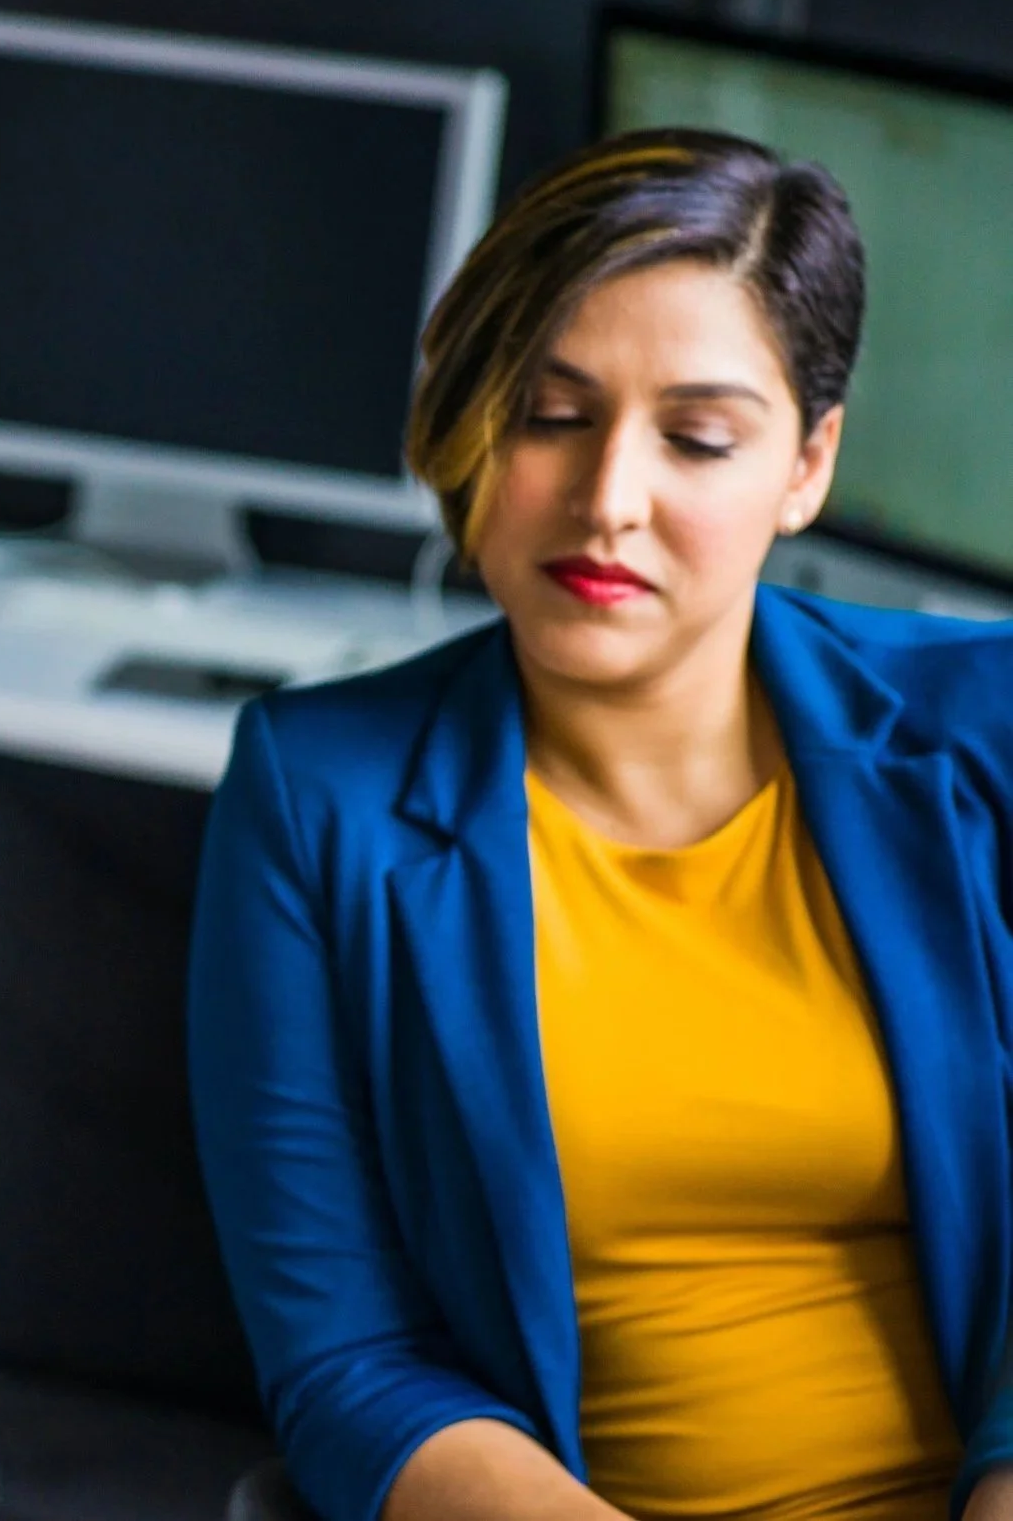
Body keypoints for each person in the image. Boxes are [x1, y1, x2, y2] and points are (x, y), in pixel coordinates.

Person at [189, 127, 1013, 1521]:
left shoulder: (987, 731)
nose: (607, 499)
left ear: (808, 464)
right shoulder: (311, 796)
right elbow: (352, 1365)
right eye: (552, 415)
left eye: (698, 437)